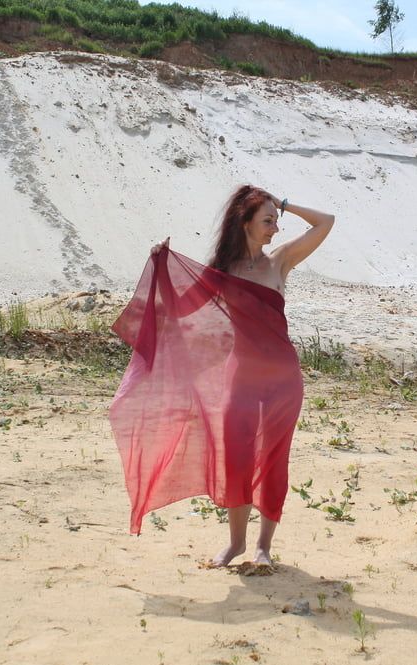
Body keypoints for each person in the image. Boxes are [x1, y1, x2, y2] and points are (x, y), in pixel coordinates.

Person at [110, 185, 334, 568]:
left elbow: (326, 222)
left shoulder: (279, 262)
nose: (275, 229)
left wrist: (282, 203)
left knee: (274, 459)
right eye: (267, 221)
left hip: (283, 379)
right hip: (241, 379)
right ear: (243, 222)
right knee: (237, 458)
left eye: (276, 221)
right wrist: (161, 265)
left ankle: (263, 547)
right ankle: (236, 544)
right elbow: (177, 309)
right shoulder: (222, 273)